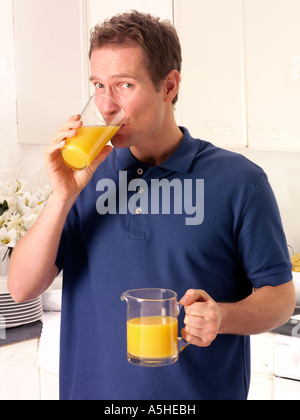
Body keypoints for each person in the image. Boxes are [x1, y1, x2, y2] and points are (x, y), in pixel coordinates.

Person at [8, 11, 295, 400]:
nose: (107, 105)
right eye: (98, 85)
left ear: (169, 86)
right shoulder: (84, 179)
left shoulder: (240, 181)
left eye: (124, 84)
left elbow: (280, 298)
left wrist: (222, 317)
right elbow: (22, 287)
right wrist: (62, 195)